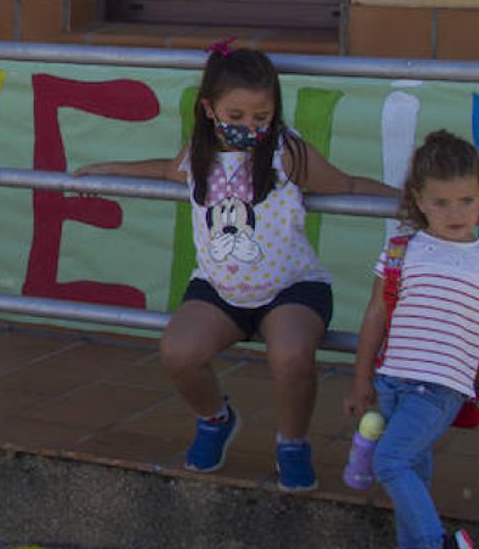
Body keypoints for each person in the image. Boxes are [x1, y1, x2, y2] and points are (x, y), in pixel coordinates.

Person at [77, 41, 391, 490]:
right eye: (237, 116)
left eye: (261, 117)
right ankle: (214, 420)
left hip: (292, 287)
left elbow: (348, 184)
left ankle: (292, 443)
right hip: (220, 289)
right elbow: (167, 170)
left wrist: (406, 203)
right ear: (209, 108)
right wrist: (109, 169)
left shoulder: (287, 153)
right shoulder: (198, 156)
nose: (250, 127)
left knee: (292, 356)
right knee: (178, 352)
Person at [345, 131, 479, 549]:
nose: (456, 212)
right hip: (392, 381)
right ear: (418, 200)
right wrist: (361, 376)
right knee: (412, 469)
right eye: (442, 201)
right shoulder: (400, 252)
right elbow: (375, 315)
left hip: (441, 388)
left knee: (389, 461)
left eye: (467, 200)